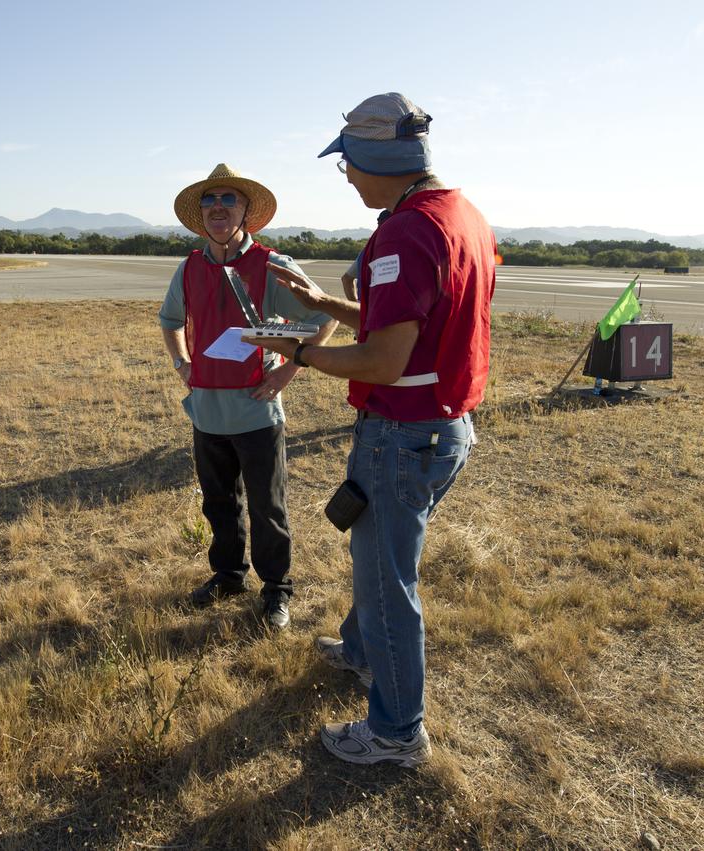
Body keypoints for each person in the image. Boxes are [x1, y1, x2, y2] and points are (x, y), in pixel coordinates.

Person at [245, 94, 496, 766]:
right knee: (377, 554)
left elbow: (385, 357)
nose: (348, 176)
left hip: (402, 432)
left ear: (380, 157)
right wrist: (325, 305)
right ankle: (361, 652)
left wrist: (296, 349)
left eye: (349, 163)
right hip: (446, 428)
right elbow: (411, 324)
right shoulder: (462, 215)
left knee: (387, 580)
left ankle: (395, 731)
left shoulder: (404, 231)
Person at [160, 163, 338, 630]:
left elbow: (324, 319)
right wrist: (182, 364)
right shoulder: (190, 268)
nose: (218, 208)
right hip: (206, 412)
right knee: (218, 503)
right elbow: (170, 321)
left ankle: (277, 589)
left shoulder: (272, 266)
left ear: (246, 213)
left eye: (228, 200)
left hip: (257, 412)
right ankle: (228, 575)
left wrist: (288, 373)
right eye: (209, 200)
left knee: (267, 506)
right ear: (200, 215)